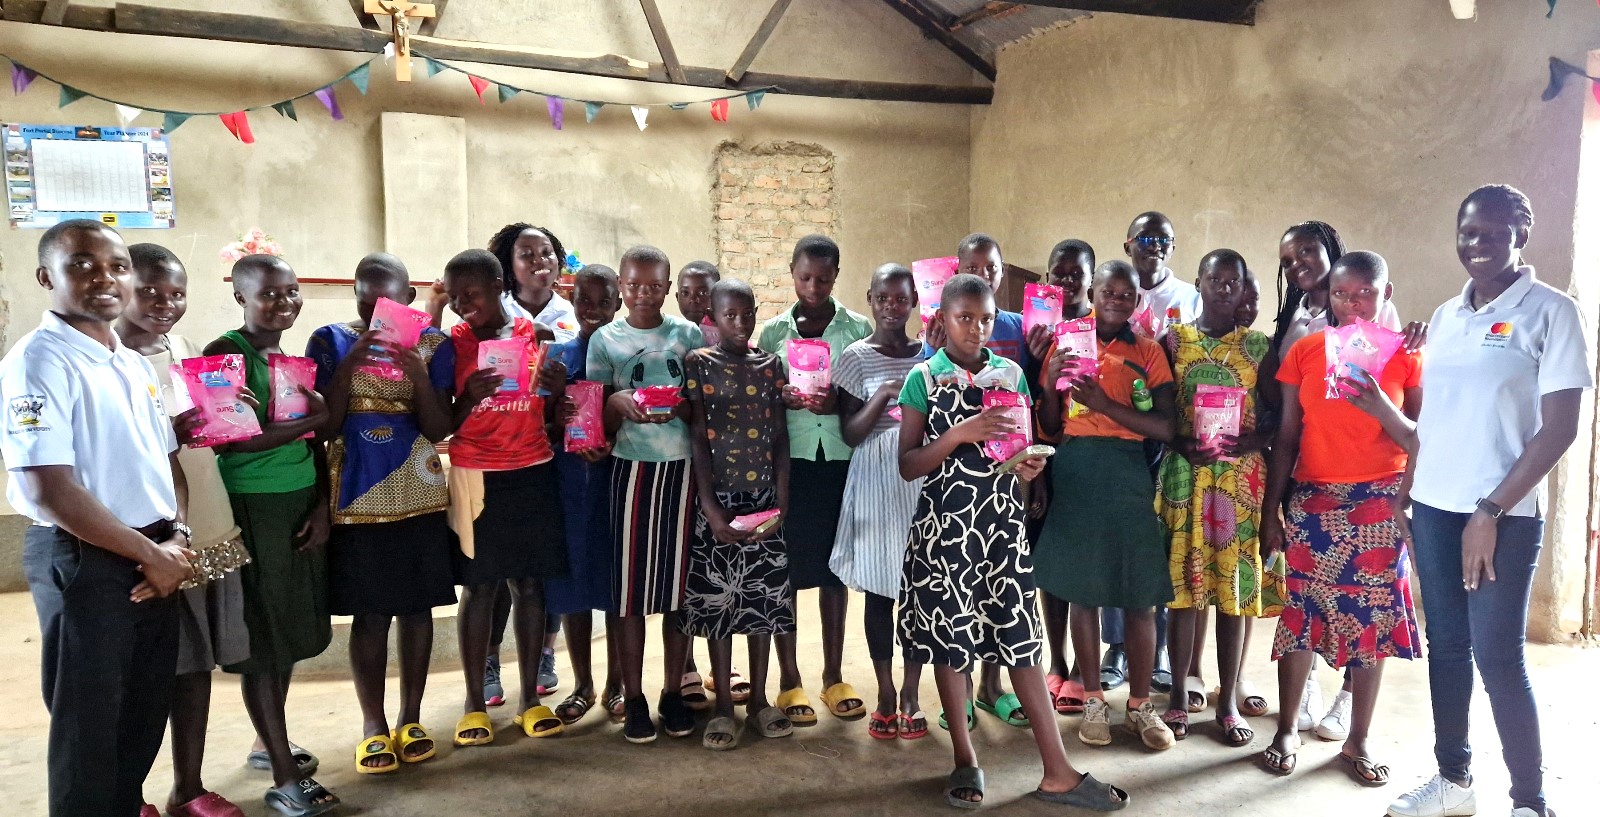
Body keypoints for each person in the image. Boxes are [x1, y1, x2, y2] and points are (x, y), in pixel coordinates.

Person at [1389, 185, 1593, 817]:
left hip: (1501, 515)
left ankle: (1529, 803)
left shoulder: (1551, 312)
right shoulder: (1449, 317)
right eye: (1466, 231)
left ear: (1520, 234)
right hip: (1434, 509)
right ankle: (1454, 783)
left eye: (1491, 232)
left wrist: (1491, 511)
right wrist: (1408, 491)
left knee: (1497, 654)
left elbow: (1560, 427)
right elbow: (1440, 420)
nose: (1475, 244)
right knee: (1445, 647)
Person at [897, 273, 1127, 811]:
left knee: (1022, 641)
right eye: (964, 318)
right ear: (942, 321)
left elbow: (1019, 451)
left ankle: (1057, 769)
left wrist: (1026, 470)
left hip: (1002, 529)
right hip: (946, 535)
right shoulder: (924, 380)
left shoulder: (1011, 375)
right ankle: (964, 757)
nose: (976, 329)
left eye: (983, 319)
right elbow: (908, 466)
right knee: (952, 648)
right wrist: (957, 434)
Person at [5, 220, 196, 817]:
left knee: (139, 721)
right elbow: (51, 488)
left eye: (117, 266)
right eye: (82, 265)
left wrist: (178, 538)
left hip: (156, 553)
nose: (104, 279)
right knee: (88, 737)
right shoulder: (39, 363)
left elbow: (166, 467)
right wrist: (151, 557)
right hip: (86, 558)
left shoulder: (131, 363)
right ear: (47, 278)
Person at [1257, 251, 1422, 784]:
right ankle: (1286, 728)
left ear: (1385, 295)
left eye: (1365, 293)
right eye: (1342, 294)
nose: (1353, 305)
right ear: (1327, 297)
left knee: (1372, 620)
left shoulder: (1405, 357)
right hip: (1313, 500)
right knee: (1302, 612)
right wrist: (1271, 510)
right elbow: (1286, 436)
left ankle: (1358, 740)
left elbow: (1420, 440)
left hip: (1380, 502)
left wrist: (1378, 404)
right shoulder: (1305, 353)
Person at [307, 254, 457, 773]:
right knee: (370, 615)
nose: (374, 317)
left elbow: (438, 429)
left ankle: (411, 717)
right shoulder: (330, 340)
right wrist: (350, 365)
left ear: (408, 301)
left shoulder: (436, 346)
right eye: (364, 304)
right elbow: (324, 425)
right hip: (354, 491)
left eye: (385, 305)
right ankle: (373, 725)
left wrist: (415, 369)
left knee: (417, 610)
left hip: (418, 490)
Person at [116, 243, 253, 817]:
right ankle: (127, 794)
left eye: (176, 293)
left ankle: (188, 788)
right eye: (150, 291)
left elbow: (199, 434)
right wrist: (175, 426)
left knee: (196, 667)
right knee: (142, 671)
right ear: (121, 285)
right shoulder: (107, 357)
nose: (165, 304)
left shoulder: (184, 349)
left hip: (208, 521)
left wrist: (230, 411)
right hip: (147, 531)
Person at [206, 254, 338, 816]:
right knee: (262, 636)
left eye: (291, 292)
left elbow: (310, 444)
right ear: (241, 298)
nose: (283, 303)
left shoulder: (290, 359)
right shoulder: (223, 354)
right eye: (269, 294)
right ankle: (285, 776)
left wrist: (321, 506)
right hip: (252, 506)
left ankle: (270, 743)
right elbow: (232, 440)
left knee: (284, 630)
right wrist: (317, 417)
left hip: (295, 501)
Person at [1035, 261, 1178, 751]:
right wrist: (1049, 379)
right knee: (1084, 592)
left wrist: (1103, 404)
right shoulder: (1068, 341)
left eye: (1127, 294)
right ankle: (1093, 697)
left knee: (1139, 594)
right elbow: (1050, 424)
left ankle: (1141, 705)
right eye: (1108, 292)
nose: (1116, 300)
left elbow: (1165, 427)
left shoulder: (1150, 352)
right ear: (1092, 293)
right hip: (1076, 469)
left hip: (1128, 471)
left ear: (1139, 300)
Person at [440, 249, 568, 747]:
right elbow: (439, 418)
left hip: (531, 470)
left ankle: (530, 701)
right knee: (480, 588)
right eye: (452, 296)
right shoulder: (452, 344)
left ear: (498, 284)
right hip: (477, 475)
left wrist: (555, 388)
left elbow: (547, 409)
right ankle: (474, 704)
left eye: (469, 293)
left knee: (530, 586)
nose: (460, 304)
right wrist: (468, 394)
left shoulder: (533, 337)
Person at [1155, 250, 1274, 746]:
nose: (1224, 288)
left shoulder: (1260, 348)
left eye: (1234, 281)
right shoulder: (1173, 341)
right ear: (1198, 283)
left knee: (1234, 595)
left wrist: (1251, 440)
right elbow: (1160, 414)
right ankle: (1179, 698)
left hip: (1240, 486)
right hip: (1187, 481)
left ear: (1245, 287)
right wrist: (1177, 441)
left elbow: (1279, 419)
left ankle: (1226, 703)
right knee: (1185, 594)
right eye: (1215, 279)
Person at [587, 245, 705, 743]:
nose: (643, 294)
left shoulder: (687, 335)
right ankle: (633, 697)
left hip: (683, 474)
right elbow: (591, 416)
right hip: (630, 474)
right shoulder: (605, 340)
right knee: (629, 594)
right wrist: (615, 404)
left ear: (667, 285)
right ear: (620, 284)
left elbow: (703, 407)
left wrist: (681, 408)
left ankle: (672, 692)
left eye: (654, 286)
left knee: (680, 591)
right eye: (633, 285)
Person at [756, 234, 873, 724]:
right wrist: (782, 395)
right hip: (791, 461)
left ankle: (832, 675)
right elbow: (760, 396)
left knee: (833, 570)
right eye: (805, 277)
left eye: (823, 279)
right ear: (791, 271)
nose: (813, 287)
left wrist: (839, 402)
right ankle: (789, 680)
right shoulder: (770, 333)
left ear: (836, 276)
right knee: (785, 570)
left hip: (842, 461)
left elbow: (867, 397)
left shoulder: (858, 327)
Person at [680, 279, 795, 750]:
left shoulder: (772, 366)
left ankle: (760, 700)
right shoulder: (698, 364)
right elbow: (698, 439)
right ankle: (724, 705)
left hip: (765, 499)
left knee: (763, 604)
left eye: (747, 314)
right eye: (731, 314)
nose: (741, 323)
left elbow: (781, 439)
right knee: (719, 606)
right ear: (713, 313)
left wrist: (782, 503)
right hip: (720, 501)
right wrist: (709, 508)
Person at [471, 223, 575, 703]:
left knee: (543, 566)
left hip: (549, 455)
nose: (540, 261)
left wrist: (559, 389)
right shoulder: (494, 315)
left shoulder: (571, 315)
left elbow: (578, 390)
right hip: (495, 460)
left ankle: (544, 654)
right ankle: (489, 661)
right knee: (492, 573)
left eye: (547, 252)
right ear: (505, 269)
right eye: (526, 254)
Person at [829, 263, 929, 739]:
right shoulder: (854, 357)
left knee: (917, 590)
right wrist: (887, 392)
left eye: (901, 298)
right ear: (869, 299)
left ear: (913, 301)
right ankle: (885, 691)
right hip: (873, 477)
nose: (892, 306)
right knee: (878, 591)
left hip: (920, 476)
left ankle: (912, 690)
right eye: (883, 298)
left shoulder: (930, 353)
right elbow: (849, 433)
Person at [543, 264, 626, 725]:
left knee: (614, 585)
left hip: (616, 482)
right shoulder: (557, 359)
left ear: (618, 303)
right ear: (572, 303)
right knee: (573, 585)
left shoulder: (626, 352)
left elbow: (639, 411)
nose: (593, 309)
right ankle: (582, 684)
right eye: (585, 300)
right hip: (570, 483)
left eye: (603, 300)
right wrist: (557, 403)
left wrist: (611, 439)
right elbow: (543, 426)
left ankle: (617, 684)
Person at [1039, 239, 1094, 716]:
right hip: (1048, 456)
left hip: (1090, 457)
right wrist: (1043, 367)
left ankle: (1082, 668)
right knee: (1051, 567)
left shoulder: (1108, 328)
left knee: (1085, 569)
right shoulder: (1037, 326)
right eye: (1059, 273)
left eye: (1077, 273)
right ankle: (1055, 659)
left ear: (1091, 279)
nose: (1067, 281)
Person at [671, 258, 725, 707]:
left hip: (721, 465)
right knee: (683, 571)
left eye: (705, 293)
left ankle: (722, 663)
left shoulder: (729, 338)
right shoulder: (673, 339)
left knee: (716, 570)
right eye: (687, 293)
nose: (696, 301)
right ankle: (684, 664)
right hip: (675, 463)